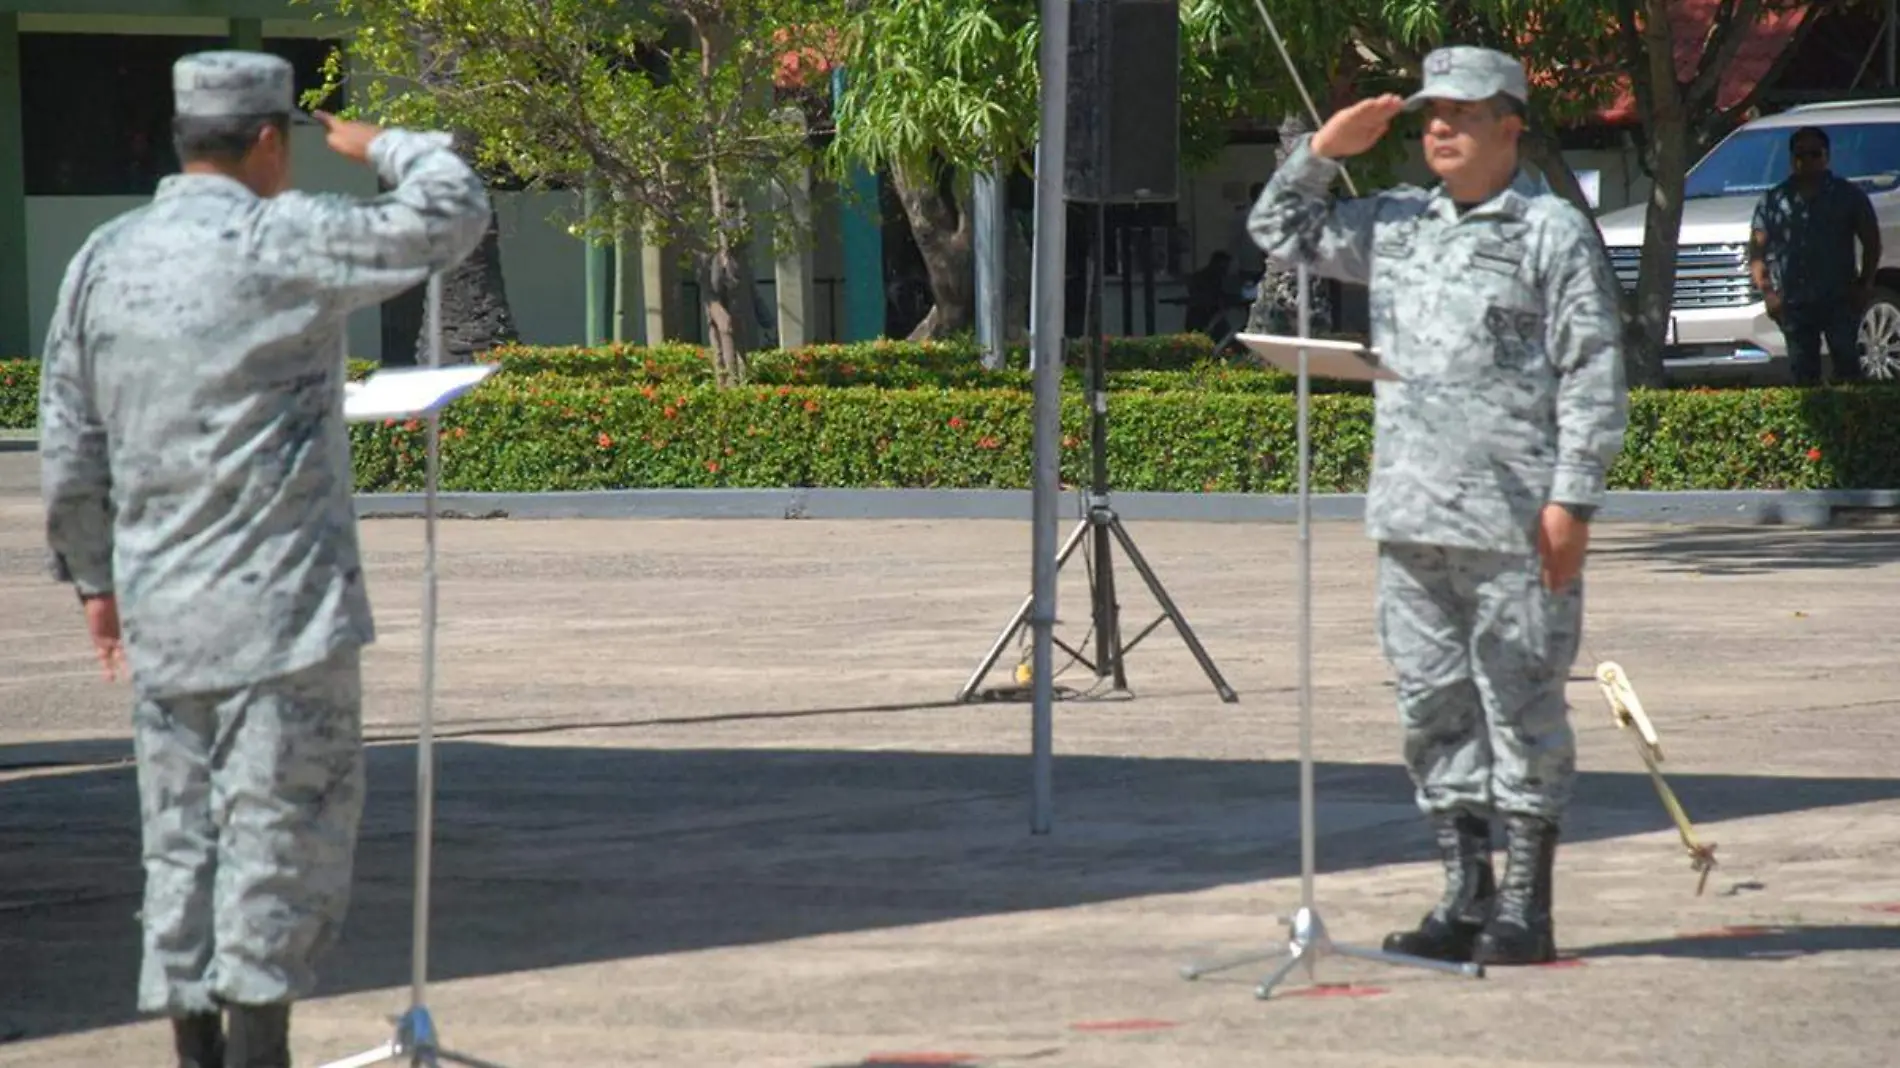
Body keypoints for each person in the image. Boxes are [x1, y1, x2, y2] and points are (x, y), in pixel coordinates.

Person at [38, 51, 490, 1066]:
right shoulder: (286, 237)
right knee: (277, 857)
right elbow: (453, 213)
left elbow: (69, 443)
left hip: (163, 613)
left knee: (180, 849)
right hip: (287, 619)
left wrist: (95, 583)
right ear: (270, 142)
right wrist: (390, 146)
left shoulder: (104, 257)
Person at [1247, 46, 1628, 967]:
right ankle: (1465, 894)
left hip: (1514, 521)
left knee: (1522, 707)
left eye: (1461, 114)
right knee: (1431, 709)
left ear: (1511, 126)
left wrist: (1573, 500)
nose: (1440, 130)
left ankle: (1527, 907)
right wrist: (1325, 150)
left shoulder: (1548, 231)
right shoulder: (1400, 223)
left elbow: (1593, 372)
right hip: (1410, 514)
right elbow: (1279, 229)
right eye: (1428, 116)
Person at [1748, 125, 1881, 386]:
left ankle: (1851, 426)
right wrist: (1768, 293)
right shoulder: (1774, 200)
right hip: (1794, 302)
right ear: (1791, 159)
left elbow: (1872, 242)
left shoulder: (1848, 195)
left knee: (1848, 372)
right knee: (1803, 376)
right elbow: (1757, 249)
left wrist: (1865, 284)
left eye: (1814, 154)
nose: (1807, 161)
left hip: (1840, 299)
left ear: (1826, 156)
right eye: (1800, 155)